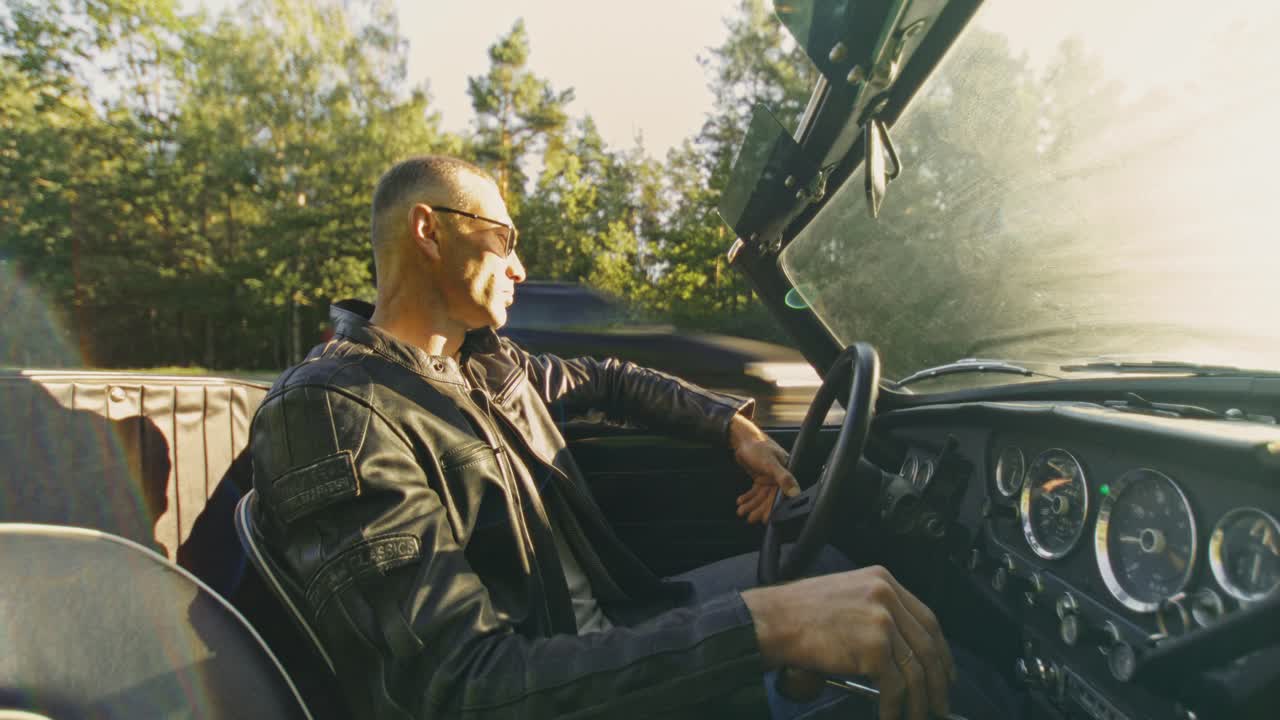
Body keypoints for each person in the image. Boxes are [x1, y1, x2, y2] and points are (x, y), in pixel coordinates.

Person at [248, 155, 1005, 720]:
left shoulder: (481, 365)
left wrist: (730, 424)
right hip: (562, 679)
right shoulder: (332, 411)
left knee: (848, 575)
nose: (518, 264)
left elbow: (612, 380)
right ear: (428, 231)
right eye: (503, 236)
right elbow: (462, 689)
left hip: (617, 622)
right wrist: (765, 628)